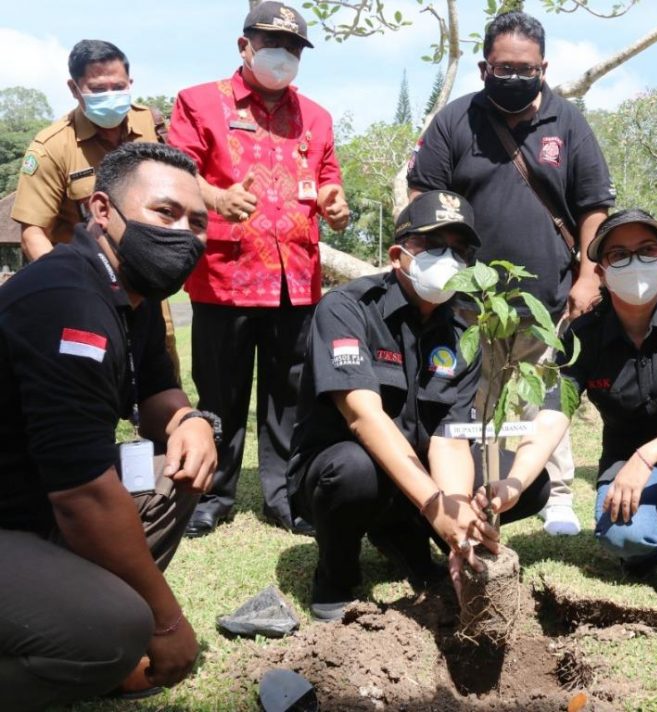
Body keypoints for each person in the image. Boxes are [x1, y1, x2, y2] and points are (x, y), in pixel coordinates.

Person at [0, 142, 219, 707]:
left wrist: (190, 419)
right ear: (102, 211)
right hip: (23, 512)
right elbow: (82, 496)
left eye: (197, 223)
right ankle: (84, 639)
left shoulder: (131, 296)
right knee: (114, 630)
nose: (185, 235)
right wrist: (166, 625)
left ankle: (71, 615)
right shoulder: (68, 299)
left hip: (32, 505)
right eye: (165, 214)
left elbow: (158, 393)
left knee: (176, 469)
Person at [286, 190, 552, 621]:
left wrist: (458, 512)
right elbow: (363, 416)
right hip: (342, 470)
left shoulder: (464, 333)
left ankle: (403, 536)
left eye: (461, 250)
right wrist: (434, 506)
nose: (449, 258)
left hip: (419, 471)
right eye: (432, 245)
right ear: (397, 254)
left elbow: (449, 440)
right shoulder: (348, 308)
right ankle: (335, 575)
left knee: (527, 484)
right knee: (356, 471)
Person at [408, 10, 616, 537]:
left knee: (543, 395)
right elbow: (423, 198)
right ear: (484, 68)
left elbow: (594, 206)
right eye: (505, 68)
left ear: (543, 67)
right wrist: (432, 266)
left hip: (549, 299)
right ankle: (476, 491)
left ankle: (558, 493)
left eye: (526, 69)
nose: (516, 77)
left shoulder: (568, 123)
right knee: (473, 402)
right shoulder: (455, 121)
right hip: (468, 304)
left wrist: (589, 275)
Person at [502, 209, 657, 616]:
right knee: (625, 540)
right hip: (628, 458)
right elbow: (552, 416)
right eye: (619, 255)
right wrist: (514, 483)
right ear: (600, 271)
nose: (635, 262)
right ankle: (644, 548)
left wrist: (646, 455)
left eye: (647, 250)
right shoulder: (582, 336)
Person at [168, 1, 350, 537]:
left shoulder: (315, 115)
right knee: (220, 392)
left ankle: (286, 496)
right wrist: (216, 198)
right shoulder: (199, 103)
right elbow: (177, 173)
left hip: (297, 278)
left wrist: (335, 201)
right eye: (272, 43)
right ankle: (212, 493)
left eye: (294, 47)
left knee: (290, 395)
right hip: (225, 276)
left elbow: (328, 175)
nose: (283, 55)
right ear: (243, 46)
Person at [11, 39, 182, 380]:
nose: (111, 95)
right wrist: (71, 292)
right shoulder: (51, 147)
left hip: (146, 287)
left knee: (159, 379)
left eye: (118, 87)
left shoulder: (152, 127)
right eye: (98, 88)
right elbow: (33, 233)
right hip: (85, 294)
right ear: (74, 88)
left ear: (130, 84)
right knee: (85, 382)